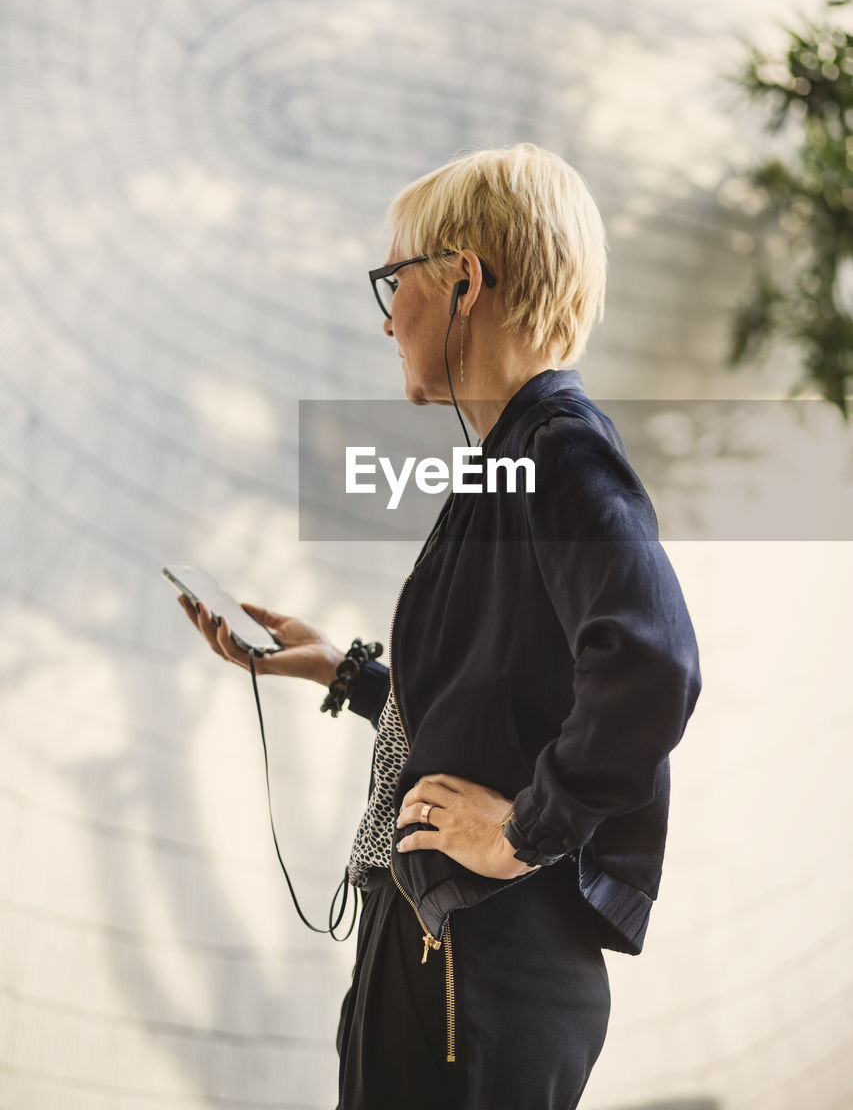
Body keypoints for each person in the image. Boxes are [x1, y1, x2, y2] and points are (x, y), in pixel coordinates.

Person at [178, 143, 702, 1110]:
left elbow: (653, 664)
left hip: (478, 967)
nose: (386, 320)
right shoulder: (507, 462)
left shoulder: (559, 452)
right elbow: (503, 694)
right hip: (436, 951)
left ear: (464, 278)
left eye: (394, 280)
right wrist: (347, 674)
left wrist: (527, 832)